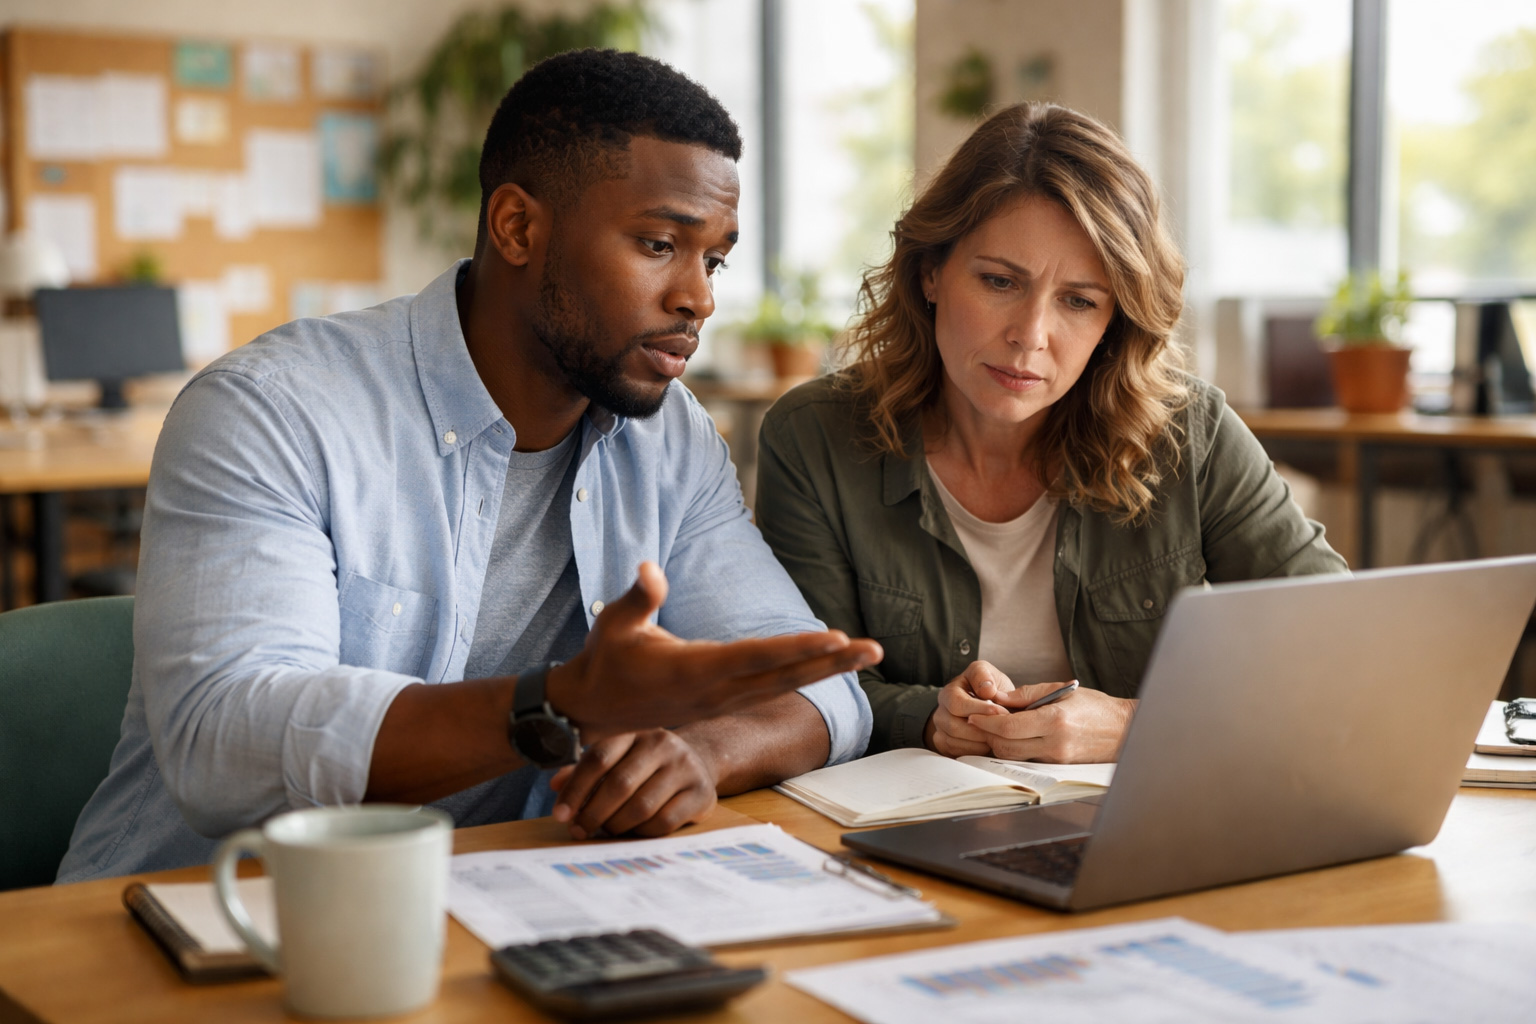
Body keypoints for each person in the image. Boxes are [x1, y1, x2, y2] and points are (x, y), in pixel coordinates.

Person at [58, 49, 881, 883]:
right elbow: (223, 746)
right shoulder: (272, 410)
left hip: (486, 905)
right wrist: (555, 705)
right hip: (199, 921)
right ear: (518, 227)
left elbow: (821, 687)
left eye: (714, 260)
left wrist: (699, 754)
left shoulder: (670, 438)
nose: (699, 298)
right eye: (660, 243)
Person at [754, 102, 1346, 766]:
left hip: (1133, 831)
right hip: (895, 827)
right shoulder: (814, 437)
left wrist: (1132, 723)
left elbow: (1335, 649)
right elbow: (803, 686)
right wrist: (927, 718)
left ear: (1113, 322)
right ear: (930, 273)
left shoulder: (1191, 434)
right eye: (1000, 281)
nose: (1031, 336)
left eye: (1079, 300)